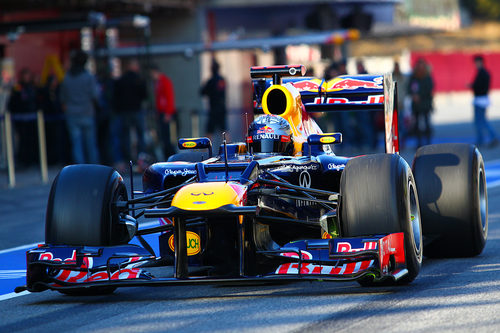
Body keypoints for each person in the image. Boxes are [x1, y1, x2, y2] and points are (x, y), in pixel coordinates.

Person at [60, 50, 99, 164]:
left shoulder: (67, 77)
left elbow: (63, 98)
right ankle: (94, 168)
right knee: (90, 144)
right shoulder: (88, 77)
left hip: (72, 114)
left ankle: (79, 169)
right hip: (87, 112)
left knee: (76, 144)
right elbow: (94, 95)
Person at [113, 59, 147, 164]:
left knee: (126, 135)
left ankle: (129, 158)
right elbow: (145, 95)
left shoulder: (121, 80)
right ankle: (141, 157)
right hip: (136, 110)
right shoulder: (139, 79)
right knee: (140, 134)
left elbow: (115, 95)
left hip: (125, 111)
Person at [7, 68, 39, 167]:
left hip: (31, 117)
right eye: (25, 75)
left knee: (32, 139)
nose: (26, 77)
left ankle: (31, 159)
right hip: (20, 118)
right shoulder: (18, 87)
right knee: (22, 140)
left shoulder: (32, 87)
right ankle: (23, 160)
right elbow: (13, 102)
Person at [470, 54, 499, 147]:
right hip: (482, 99)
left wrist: (473, 86)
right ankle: (484, 139)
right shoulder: (483, 72)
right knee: (481, 121)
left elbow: (480, 86)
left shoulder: (482, 73)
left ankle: (490, 137)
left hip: (480, 99)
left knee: (481, 121)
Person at [150, 64, 176, 158]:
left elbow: (169, 97)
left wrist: (168, 113)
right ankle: (167, 156)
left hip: (166, 113)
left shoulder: (165, 82)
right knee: (163, 137)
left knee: (168, 137)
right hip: (161, 112)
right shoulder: (157, 83)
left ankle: (171, 155)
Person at [408, 58, 434, 147]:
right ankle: (418, 142)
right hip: (416, 105)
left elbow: (429, 89)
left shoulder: (427, 77)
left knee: (427, 123)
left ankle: (428, 141)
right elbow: (409, 88)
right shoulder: (413, 77)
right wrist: (413, 95)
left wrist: (420, 96)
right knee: (417, 124)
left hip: (425, 104)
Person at [201, 60, 227, 139]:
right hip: (221, 109)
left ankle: (206, 150)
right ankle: (229, 149)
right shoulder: (221, 80)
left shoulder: (211, 81)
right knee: (224, 131)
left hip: (213, 110)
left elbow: (202, 92)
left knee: (209, 132)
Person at [393, 61, 408, 147]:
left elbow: (405, 92)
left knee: (402, 125)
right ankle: (396, 142)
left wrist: (403, 101)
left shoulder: (403, 78)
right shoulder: (392, 77)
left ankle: (402, 142)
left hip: (401, 105)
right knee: (396, 126)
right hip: (394, 106)